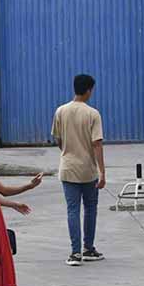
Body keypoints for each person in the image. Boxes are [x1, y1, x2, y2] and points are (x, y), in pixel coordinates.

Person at [51, 74, 106, 267]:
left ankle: (75, 253)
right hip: (88, 170)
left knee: (72, 210)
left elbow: (57, 139)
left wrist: (68, 152)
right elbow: (97, 144)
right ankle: (88, 248)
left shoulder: (61, 111)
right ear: (89, 90)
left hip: (68, 168)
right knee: (90, 209)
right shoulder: (92, 114)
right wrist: (103, 172)